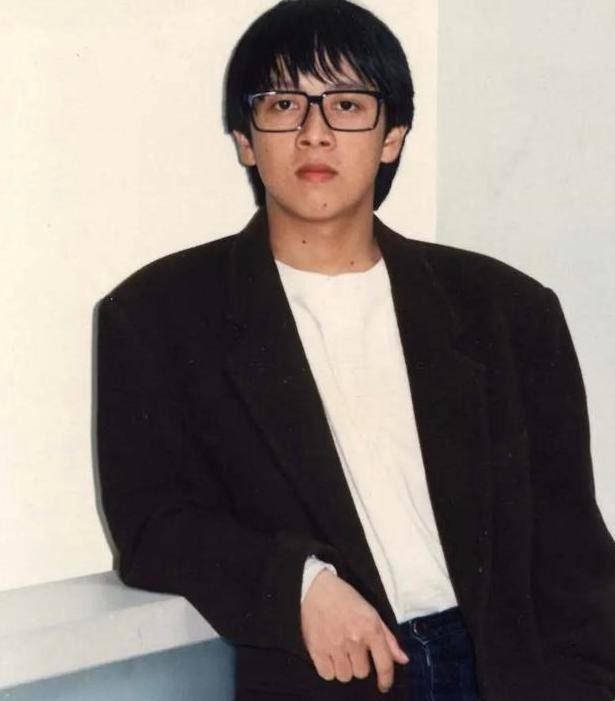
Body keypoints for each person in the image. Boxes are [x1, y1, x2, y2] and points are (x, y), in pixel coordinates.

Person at [95, 1, 615, 699]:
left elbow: (573, 556)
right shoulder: (157, 316)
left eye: (346, 105)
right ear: (245, 139)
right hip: (333, 676)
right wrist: (298, 583)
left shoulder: (508, 309)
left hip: (504, 673)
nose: (314, 133)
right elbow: (152, 526)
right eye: (283, 104)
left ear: (392, 136)